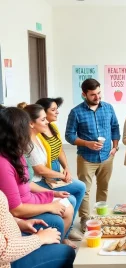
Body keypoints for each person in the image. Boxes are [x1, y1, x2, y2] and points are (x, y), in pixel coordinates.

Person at [0, 107, 75, 249]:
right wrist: (50, 206)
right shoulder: (3, 163)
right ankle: (55, 248)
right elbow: (16, 210)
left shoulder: (17, 153)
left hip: (30, 199)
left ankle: (57, 244)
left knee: (68, 204)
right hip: (24, 208)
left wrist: (52, 194)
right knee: (63, 211)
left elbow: (25, 184)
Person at [65, 78, 120, 233]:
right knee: (85, 190)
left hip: (107, 156)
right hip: (86, 158)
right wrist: (87, 143)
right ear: (84, 94)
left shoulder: (108, 108)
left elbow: (115, 127)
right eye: (93, 95)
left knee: (103, 188)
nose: (97, 97)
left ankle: (99, 217)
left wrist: (115, 147)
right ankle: (85, 219)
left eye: (99, 93)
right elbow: (69, 136)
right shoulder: (76, 112)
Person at [34, 97, 86, 241]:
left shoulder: (53, 127)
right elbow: (40, 169)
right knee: (71, 197)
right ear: (43, 112)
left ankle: (67, 230)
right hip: (47, 175)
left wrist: (66, 169)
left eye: (57, 109)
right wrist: (59, 175)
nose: (57, 112)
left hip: (57, 170)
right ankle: (64, 234)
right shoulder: (37, 134)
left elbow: (60, 150)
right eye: (53, 110)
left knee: (80, 187)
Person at [0, 190, 75, 268]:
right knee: (67, 252)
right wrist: (39, 238)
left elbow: (4, 214)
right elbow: (3, 251)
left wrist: (19, 222)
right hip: (8, 262)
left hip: (14, 240)